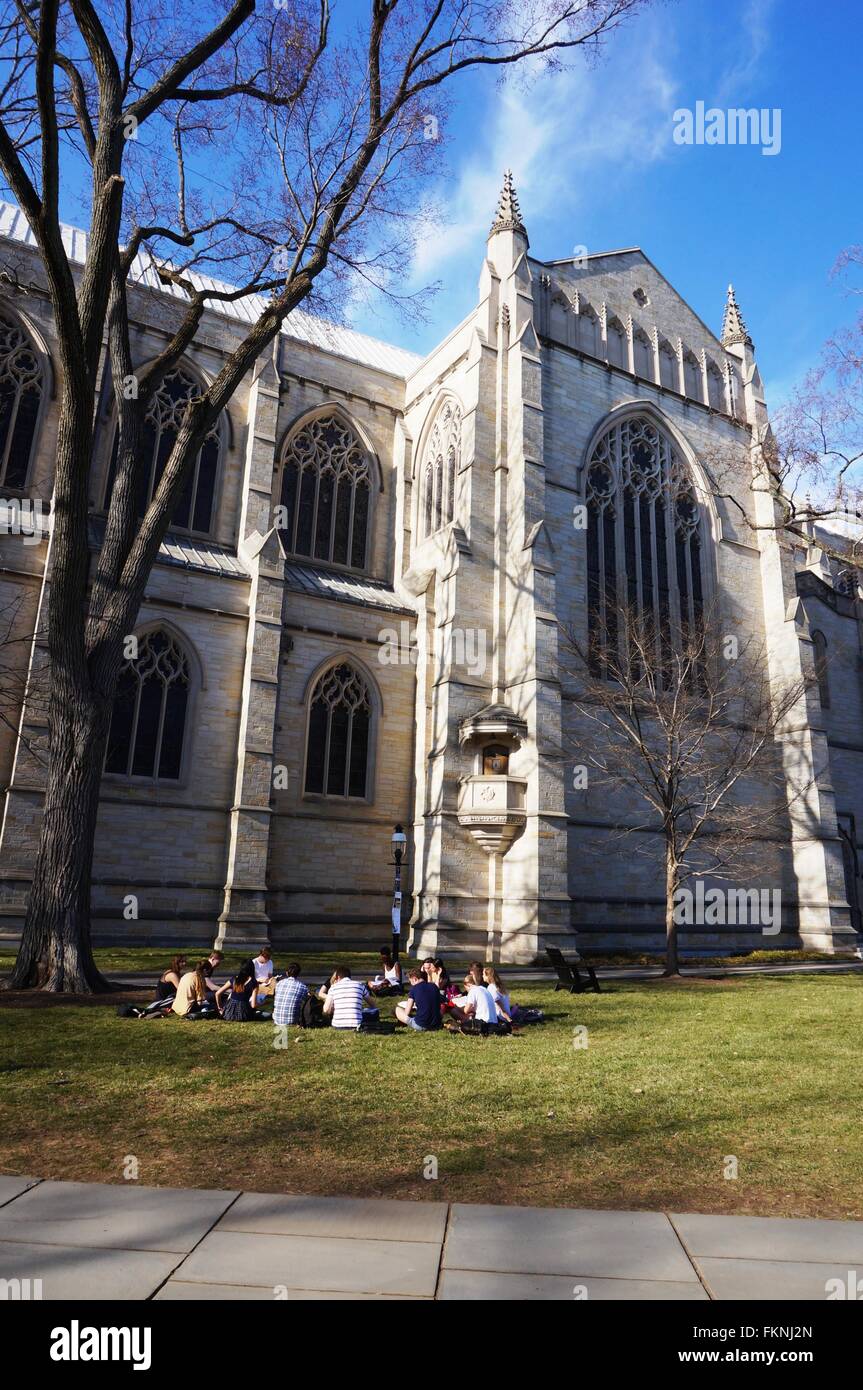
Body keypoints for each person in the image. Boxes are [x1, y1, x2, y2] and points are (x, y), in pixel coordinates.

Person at [273, 963, 310, 1027]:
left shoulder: (279, 984)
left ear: (287, 973)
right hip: (293, 1021)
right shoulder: (303, 987)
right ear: (298, 974)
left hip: (277, 1019)